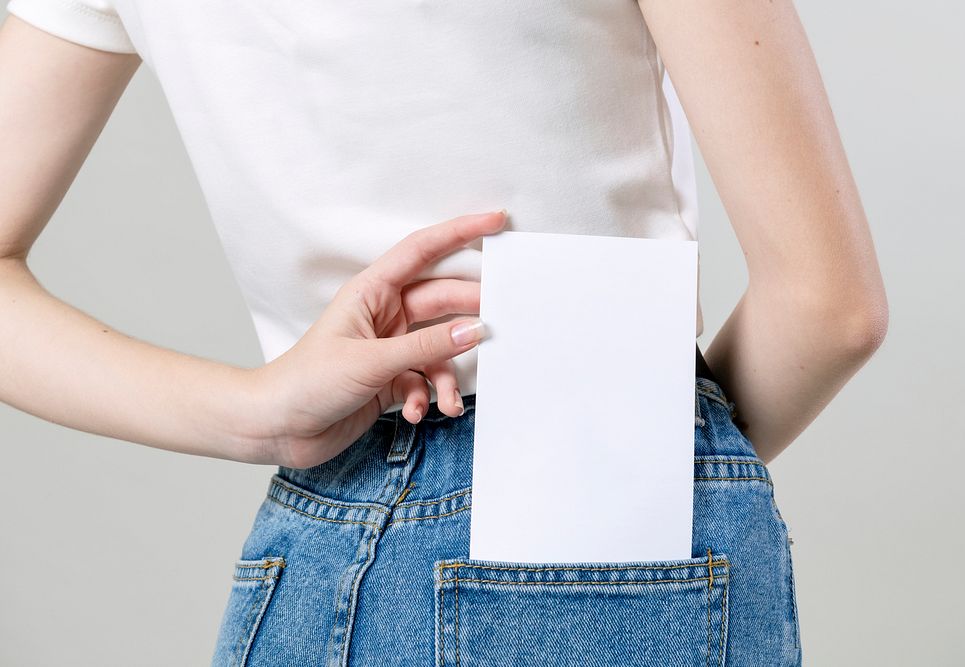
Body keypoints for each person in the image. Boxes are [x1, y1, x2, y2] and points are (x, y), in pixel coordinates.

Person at [0, 1, 888, 665]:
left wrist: (258, 414)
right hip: (601, 513)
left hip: (317, 533)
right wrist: (656, 457)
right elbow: (829, 307)